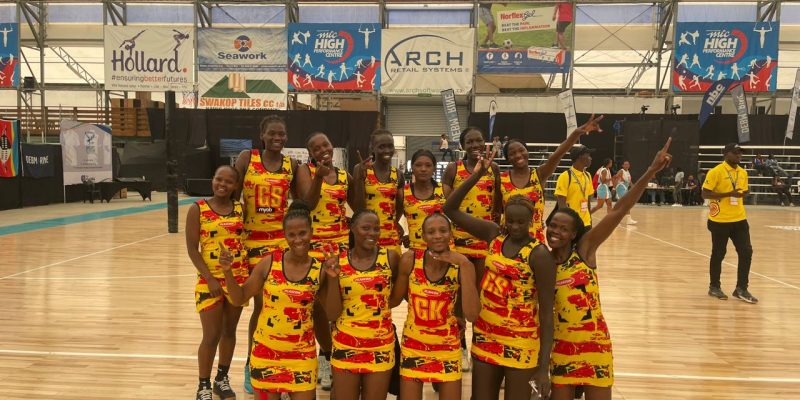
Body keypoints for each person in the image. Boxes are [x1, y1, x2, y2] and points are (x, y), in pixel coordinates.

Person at [546, 138, 674, 400]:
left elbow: (619, 210)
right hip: (560, 348)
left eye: (564, 228)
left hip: (595, 345)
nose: (556, 232)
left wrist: (651, 170)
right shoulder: (542, 261)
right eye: (553, 226)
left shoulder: (585, 251)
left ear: (574, 234)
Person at [443, 146, 556, 400]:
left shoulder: (539, 254)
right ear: (504, 215)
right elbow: (450, 209)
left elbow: (547, 314)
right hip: (486, 335)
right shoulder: (493, 233)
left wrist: (543, 367)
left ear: (532, 220)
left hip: (521, 342)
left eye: (521, 222)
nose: (515, 226)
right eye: (511, 220)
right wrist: (476, 175)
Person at [220, 201, 340, 399]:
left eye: (302, 233)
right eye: (291, 235)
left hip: (302, 358)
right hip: (265, 354)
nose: (298, 239)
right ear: (284, 235)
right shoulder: (269, 263)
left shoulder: (320, 270)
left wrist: (334, 279)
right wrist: (227, 272)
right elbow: (239, 297)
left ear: (311, 232)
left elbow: (333, 313)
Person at [234, 115, 298, 394]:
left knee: (278, 306)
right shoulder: (247, 158)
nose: (277, 138)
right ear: (262, 134)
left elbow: (302, 202)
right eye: (272, 133)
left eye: (282, 134)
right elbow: (233, 196)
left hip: (281, 245)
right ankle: (253, 363)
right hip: (251, 244)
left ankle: (280, 362)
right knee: (260, 307)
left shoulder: (291, 165)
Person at [390, 213, 480, 400]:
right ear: (423, 236)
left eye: (443, 231)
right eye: (431, 232)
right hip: (413, 346)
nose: (438, 236)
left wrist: (464, 263)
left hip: (447, 349)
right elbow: (394, 300)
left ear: (451, 234)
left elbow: (472, 315)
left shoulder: (462, 264)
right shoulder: (410, 260)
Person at [295, 131, 358, 390]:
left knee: (338, 303)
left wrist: (360, 178)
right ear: (310, 153)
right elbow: (307, 204)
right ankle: (325, 354)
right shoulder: (305, 171)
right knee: (318, 307)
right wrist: (319, 177)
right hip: (314, 248)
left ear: (333, 146)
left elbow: (359, 206)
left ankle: (335, 355)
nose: (323, 150)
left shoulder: (344, 175)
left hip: (340, 248)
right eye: (316, 147)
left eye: (326, 145)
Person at [324, 209, 401, 400]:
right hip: (345, 344)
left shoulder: (390, 258)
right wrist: (332, 279)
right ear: (352, 228)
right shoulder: (338, 261)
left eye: (376, 228)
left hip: (380, 346)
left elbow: (395, 299)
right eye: (366, 228)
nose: (372, 233)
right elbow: (332, 314)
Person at [187, 165, 248, 400]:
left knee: (229, 332)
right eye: (218, 179)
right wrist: (210, 278)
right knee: (211, 335)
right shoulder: (198, 209)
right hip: (209, 281)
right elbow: (192, 249)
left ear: (235, 186)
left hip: (236, 279)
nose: (222, 184)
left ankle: (221, 379)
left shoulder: (241, 209)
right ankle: (203, 385)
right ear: (212, 180)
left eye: (228, 181)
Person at [442, 126, 500, 370]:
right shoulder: (453, 169)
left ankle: (479, 345)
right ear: (462, 145)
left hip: (483, 243)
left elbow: (497, 206)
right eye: (470, 142)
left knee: (480, 296)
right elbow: (447, 204)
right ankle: (460, 345)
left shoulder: (493, 168)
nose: (475, 145)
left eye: (479, 141)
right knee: (457, 297)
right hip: (458, 241)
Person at [501, 115, 605, 243]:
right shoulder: (501, 179)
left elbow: (559, 153)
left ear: (527, 151)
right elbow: (495, 211)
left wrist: (577, 133)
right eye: (512, 153)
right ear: (507, 158)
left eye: (521, 150)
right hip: (507, 241)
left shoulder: (539, 174)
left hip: (534, 241)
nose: (518, 155)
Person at [702, 143, 758, 304]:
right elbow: (705, 194)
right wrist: (728, 194)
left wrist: (744, 194)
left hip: (739, 219)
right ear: (726, 154)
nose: (739, 155)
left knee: (746, 252)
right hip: (720, 220)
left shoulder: (743, 172)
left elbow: (742, 191)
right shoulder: (716, 171)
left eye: (740, 153)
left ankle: (741, 288)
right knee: (719, 253)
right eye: (736, 153)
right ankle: (714, 286)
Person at [352, 129, 405, 256]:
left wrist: (393, 222)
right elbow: (358, 209)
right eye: (381, 147)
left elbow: (400, 205)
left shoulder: (398, 174)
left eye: (390, 146)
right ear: (373, 148)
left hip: (391, 236)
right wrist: (360, 178)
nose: (387, 150)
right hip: (367, 235)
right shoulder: (361, 169)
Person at [399, 149, 446, 251]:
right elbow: (392, 219)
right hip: (416, 251)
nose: (423, 169)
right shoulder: (403, 192)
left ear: (434, 168)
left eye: (428, 165)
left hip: (443, 251)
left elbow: (456, 219)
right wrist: (406, 234)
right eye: (418, 165)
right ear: (412, 167)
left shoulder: (444, 190)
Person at [555, 145, 594, 230]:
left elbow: (588, 201)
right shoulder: (565, 176)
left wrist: (590, 221)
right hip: (572, 224)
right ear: (580, 157)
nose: (591, 158)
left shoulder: (588, 176)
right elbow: (561, 205)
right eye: (588, 156)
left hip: (586, 223)